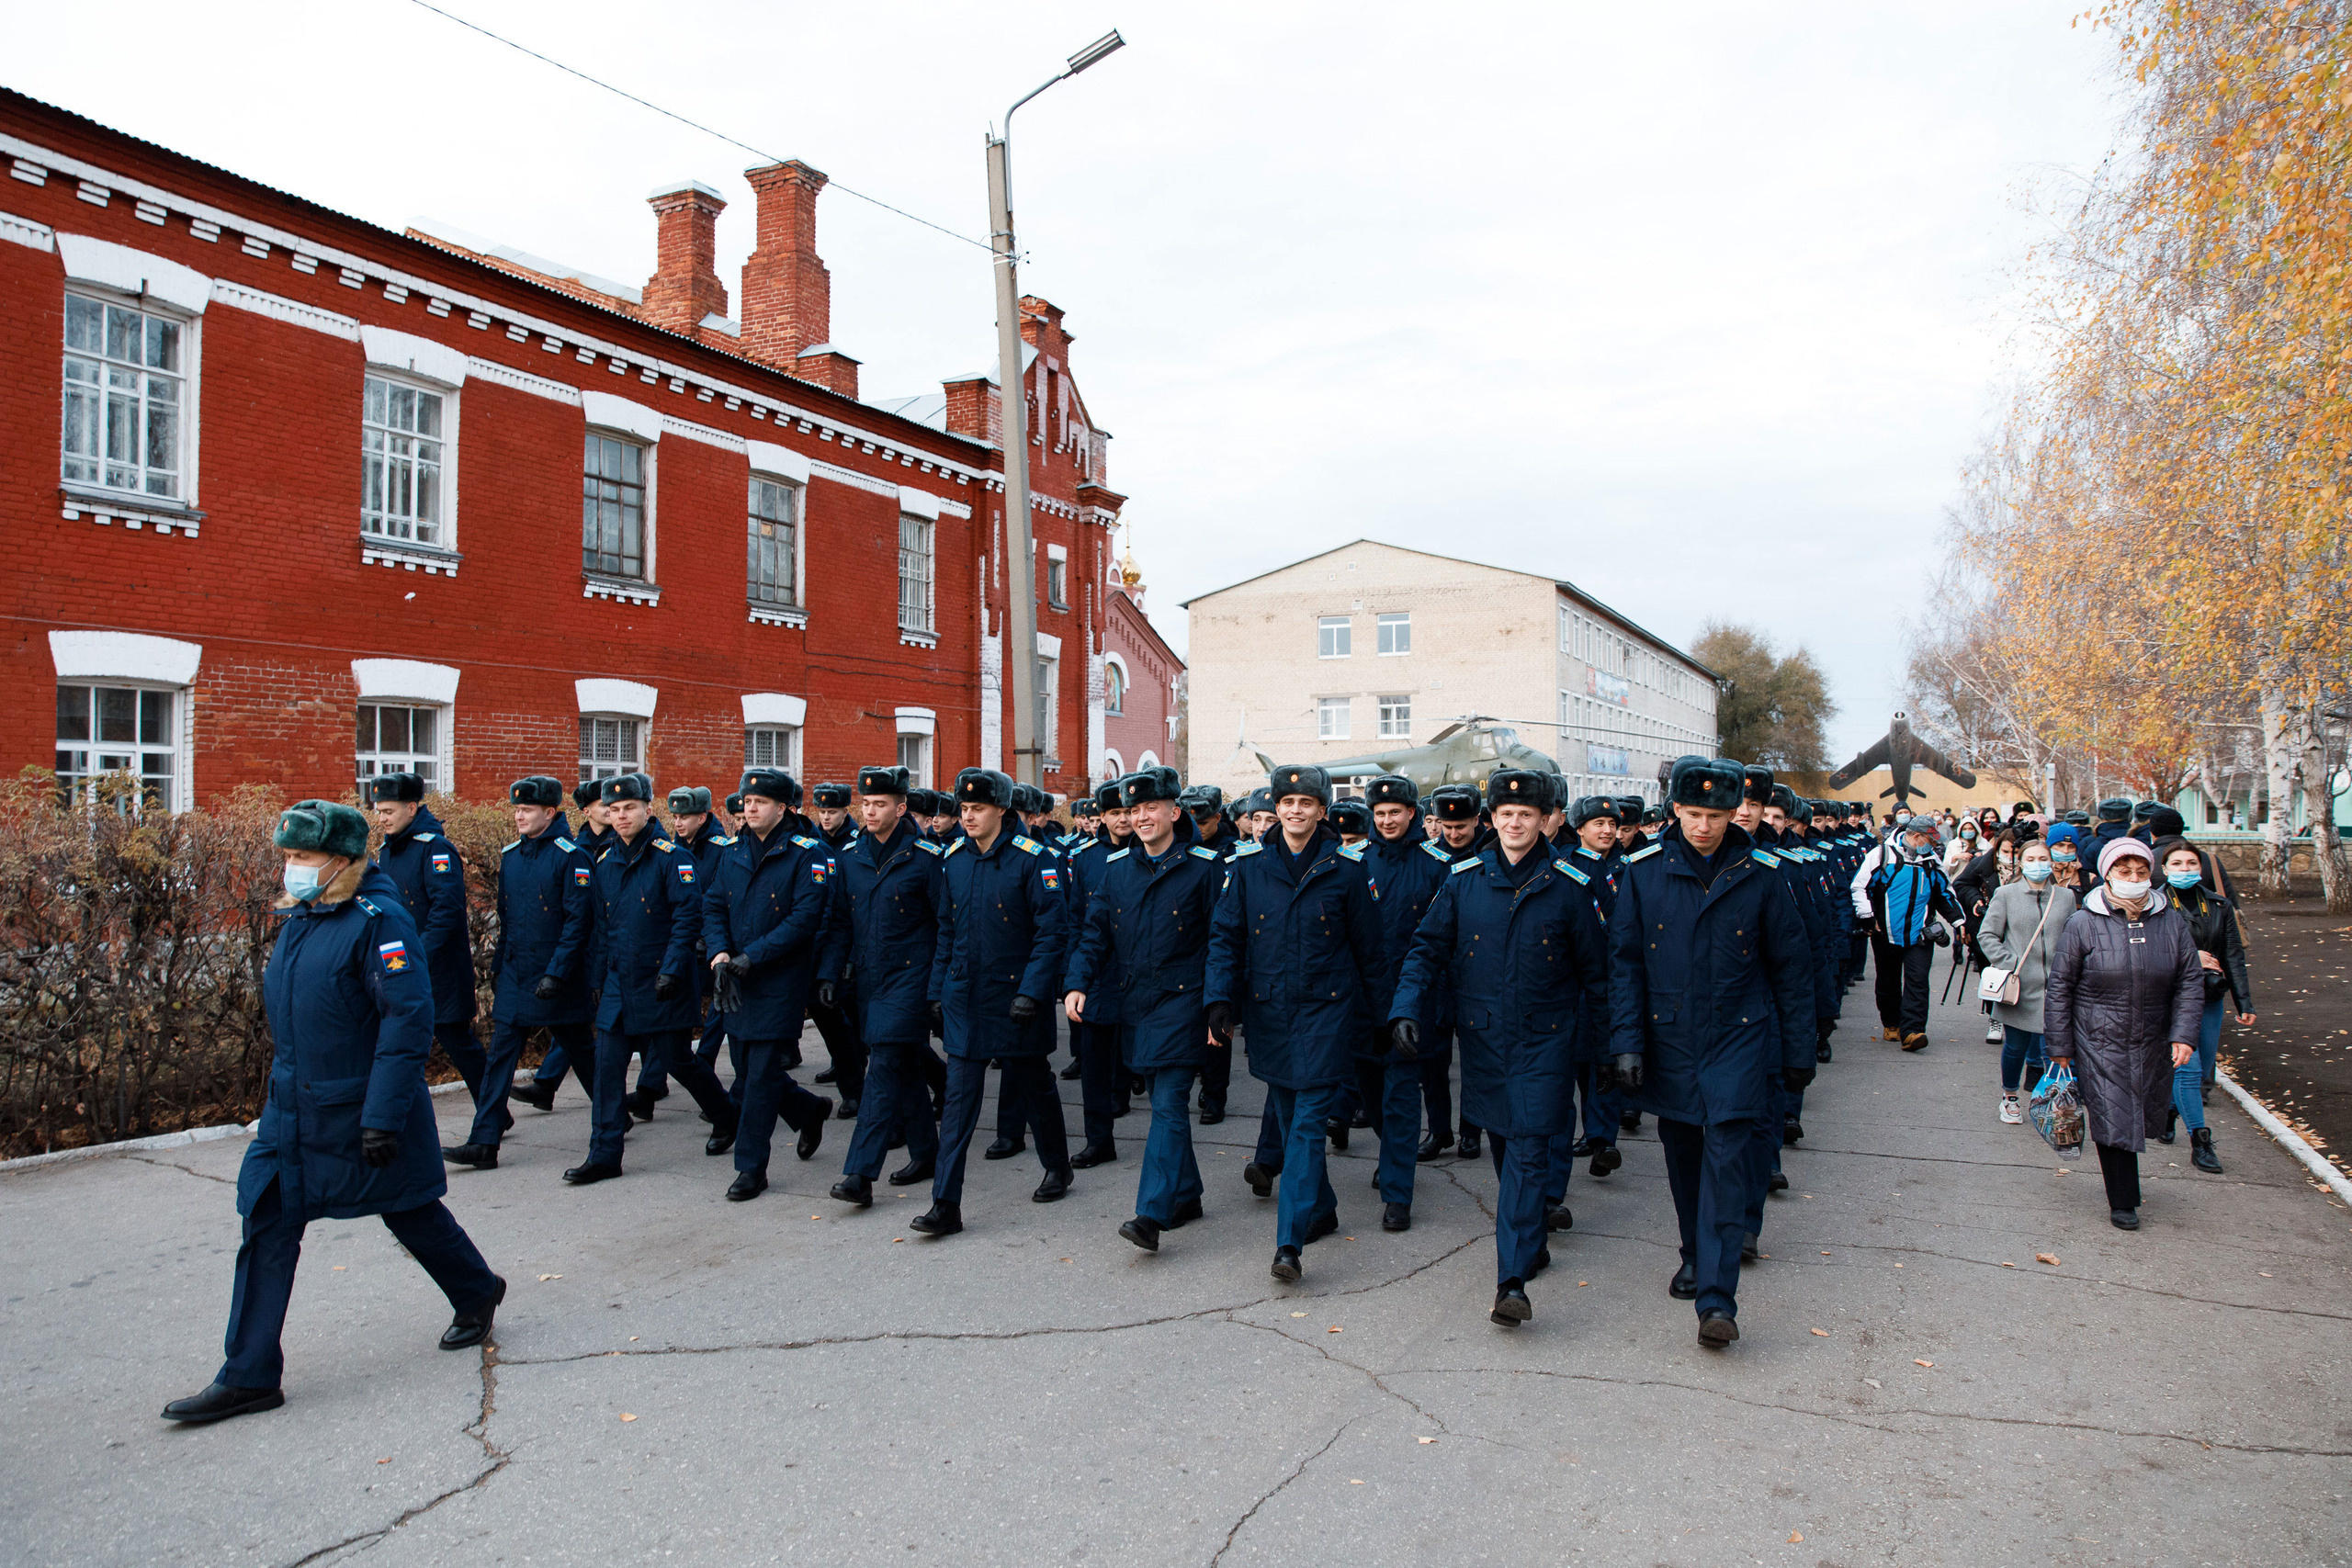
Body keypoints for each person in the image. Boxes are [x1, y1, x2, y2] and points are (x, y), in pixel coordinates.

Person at [163, 801, 503, 1427]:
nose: (291, 868)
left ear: (343, 861)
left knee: (409, 1209)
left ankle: (477, 1289)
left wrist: (383, 1114)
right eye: (287, 857)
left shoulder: (379, 920)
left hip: (361, 1109)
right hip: (293, 1111)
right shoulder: (303, 916)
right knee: (266, 1218)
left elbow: (407, 1019)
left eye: (303, 858)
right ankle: (249, 1374)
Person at [1609, 757, 1813, 1348]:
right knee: (1685, 1158)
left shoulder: (1762, 873)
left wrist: (1798, 1050)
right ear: (1675, 810)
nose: (1704, 826)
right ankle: (1694, 1252)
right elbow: (1624, 966)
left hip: (1739, 1039)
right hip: (1668, 1038)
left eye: (1716, 815)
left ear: (1734, 813)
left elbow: (1791, 970)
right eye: (1694, 814)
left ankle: (1718, 1297)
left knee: (1727, 1158)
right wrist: (1624, 1044)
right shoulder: (1643, 872)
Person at [1391, 770, 1608, 1327]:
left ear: (1546, 821)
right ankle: (1529, 1240)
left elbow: (1601, 976)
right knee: (1506, 1148)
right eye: (1505, 815)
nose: (1514, 823)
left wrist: (1615, 1045)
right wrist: (1406, 1007)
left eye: (1527, 815)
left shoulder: (1571, 884)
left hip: (1548, 1042)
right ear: (1492, 819)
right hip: (1483, 1041)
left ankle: (1510, 1281)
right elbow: (1426, 949)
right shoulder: (1464, 879)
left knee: (1532, 1146)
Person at [1206, 763, 1386, 1284]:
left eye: (1306, 803)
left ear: (1321, 811)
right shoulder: (1248, 869)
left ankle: (1289, 1244)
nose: (1295, 810)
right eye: (1286, 803)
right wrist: (1219, 1001)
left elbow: (1370, 952)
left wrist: (1381, 1017)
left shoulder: (1348, 871)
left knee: (1306, 1128)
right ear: (1275, 810)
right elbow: (1226, 940)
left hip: (1328, 1015)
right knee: (1289, 1121)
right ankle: (1322, 1208)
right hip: (1269, 1014)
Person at [1064, 766, 1225, 1251]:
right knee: (1163, 1099)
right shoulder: (1117, 871)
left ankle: (1151, 1213)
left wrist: (1220, 1003)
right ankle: (1189, 1193)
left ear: (1174, 812)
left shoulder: (1204, 867)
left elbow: (1223, 941)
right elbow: (1095, 934)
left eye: (1151, 807)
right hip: (1138, 1003)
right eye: (1133, 810)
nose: (1141, 817)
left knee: (1168, 1104)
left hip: (1184, 1002)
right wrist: (1077, 982)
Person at [910, 769, 1071, 1237]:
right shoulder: (955, 859)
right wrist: (937, 990)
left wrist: (1031, 991)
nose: (968, 817)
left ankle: (1058, 1166)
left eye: (977, 809)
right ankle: (945, 1205)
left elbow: (1051, 933)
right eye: (963, 809)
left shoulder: (1033, 860)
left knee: (1034, 1086)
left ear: (1001, 809)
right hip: (965, 1000)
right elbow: (946, 930)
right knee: (959, 1104)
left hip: (1014, 1000)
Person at [564, 775, 740, 1186]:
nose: (621, 816)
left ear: (647, 809)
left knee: (678, 1060)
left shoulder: (670, 858)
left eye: (629, 808)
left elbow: (687, 918)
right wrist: (595, 979)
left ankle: (727, 1114)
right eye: (614, 810)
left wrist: (673, 969)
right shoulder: (605, 861)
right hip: (618, 984)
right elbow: (600, 928)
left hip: (662, 980)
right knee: (607, 1069)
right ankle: (605, 1154)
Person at [2041, 839, 2204, 1231]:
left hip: (2153, 1037)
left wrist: (2183, 1035)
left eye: (2141, 872)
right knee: (2112, 1113)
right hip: (2098, 1038)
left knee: (2141, 1111)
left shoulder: (2170, 920)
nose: (2133, 879)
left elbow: (2189, 981)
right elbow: (2060, 986)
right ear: (2107, 874)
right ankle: (2123, 1200)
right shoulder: (2084, 922)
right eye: (2124, 872)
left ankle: (2126, 1189)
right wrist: (2060, 1046)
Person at [701, 768, 837, 1201]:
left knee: (758, 1078)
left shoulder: (807, 853)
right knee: (745, 1067)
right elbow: (712, 905)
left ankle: (750, 1168)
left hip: (778, 979)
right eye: (746, 801)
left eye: (760, 802)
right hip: (735, 978)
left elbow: (803, 920)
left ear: (782, 808)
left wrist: (751, 957)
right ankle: (808, 1109)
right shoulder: (732, 851)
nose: (750, 808)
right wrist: (720, 953)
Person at [448, 777, 595, 1165]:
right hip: (517, 973)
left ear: (549, 813)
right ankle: (484, 1142)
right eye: (516, 810)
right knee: (500, 1055)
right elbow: (508, 919)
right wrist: (498, 969)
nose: (519, 816)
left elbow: (578, 922)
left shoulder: (571, 856)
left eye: (527, 810)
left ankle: (612, 1116)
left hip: (555, 976)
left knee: (583, 1054)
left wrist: (557, 973)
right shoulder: (512, 855)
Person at [831, 765, 951, 1207]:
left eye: (880, 804)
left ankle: (859, 1174)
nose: (871, 810)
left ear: (901, 808)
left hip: (911, 980)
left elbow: (946, 928)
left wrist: (937, 987)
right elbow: (840, 922)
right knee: (905, 1069)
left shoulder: (926, 858)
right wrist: (831, 973)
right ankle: (926, 1152)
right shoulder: (852, 857)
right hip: (869, 980)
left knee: (881, 1071)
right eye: (866, 803)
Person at [1359, 773, 1456, 1203]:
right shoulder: (1354, 863)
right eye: (1379, 813)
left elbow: (1447, 941)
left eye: (1394, 812)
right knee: (1371, 1093)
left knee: (1400, 1096)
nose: (1386, 820)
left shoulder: (1438, 866)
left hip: (1414, 1002)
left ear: (1412, 813)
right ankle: (1391, 1147)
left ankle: (1398, 1194)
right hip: (1364, 1004)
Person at [366, 773, 483, 1109]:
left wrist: (418, 953)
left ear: (412, 808)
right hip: (400, 964)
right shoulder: (388, 850)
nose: (382, 818)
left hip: (438, 967)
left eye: (389, 811)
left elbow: (446, 912)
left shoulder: (435, 849)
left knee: (457, 1041)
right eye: (379, 811)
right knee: (398, 1040)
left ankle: (492, 1109)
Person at [2154, 838, 2254, 1174]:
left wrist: (2244, 1002)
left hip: (2209, 999)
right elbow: (2141, 953)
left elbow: (2234, 956)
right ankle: (2201, 1141)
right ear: (2164, 869)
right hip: (2169, 999)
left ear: (2201, 869)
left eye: (2192, 864)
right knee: (2189, 1067)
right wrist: (2189, 958)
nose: (2185, 869)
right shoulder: (2153, 905)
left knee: (2199, 1069)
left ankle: (2169, 1110)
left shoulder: (2220, 906)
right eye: (2178, 864)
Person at [1975, 836, 2075, 1125]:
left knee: (2053, 1049)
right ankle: (2009, 1097)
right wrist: (2011, 962)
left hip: (2057, 988)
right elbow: (1988, 935)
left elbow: (2075, 937)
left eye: (2043, 859)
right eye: (2031, 859)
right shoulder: (2006, 894)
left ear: (2052, 862)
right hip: (2018, 988)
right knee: (2016, 1047)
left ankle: (2051, 1101)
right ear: (2021, 862)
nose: (2038, 865)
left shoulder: (2065, 897)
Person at [1064, 778, 1136, 1150]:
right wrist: (1073, 976)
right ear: (1102, 817)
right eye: (1114, 813)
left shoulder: (1150, 851)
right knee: (1093, 1062)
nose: (1123, 820)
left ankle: (1123, 1094)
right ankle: (1097, 1139)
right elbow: (1076, 920)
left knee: (1128, 1052)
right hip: (1096, 972)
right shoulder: (1086, 857)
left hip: (1137, 972)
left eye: (1128, 811)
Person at [1851, 813, 1963, 1050]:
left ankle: (1913, 1031)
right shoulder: (1881, 854)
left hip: (1920, 934)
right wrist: (1867, 917)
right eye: (1931, 840)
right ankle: (1892, 1023)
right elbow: (1859, 886)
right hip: (1885, 933)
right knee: (1888, 980)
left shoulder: (1932, 861)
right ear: (1916, 836)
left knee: (1918, 981)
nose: (1934, 845)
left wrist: (1959, 922)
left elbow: (1945, 894)